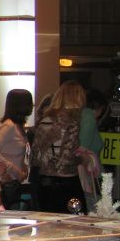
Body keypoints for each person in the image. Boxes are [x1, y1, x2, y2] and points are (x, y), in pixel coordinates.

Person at [32, 81, 88, 214]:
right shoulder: (71, 122)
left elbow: (35, 155)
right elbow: (66, 158)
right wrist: (81, 159)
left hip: (44, 180)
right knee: (74, 220)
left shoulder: (45, 120)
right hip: (66, 181)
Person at [0, 89, 33, 210]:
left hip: (14, 182)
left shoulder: (18, 126)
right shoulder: (9, 126)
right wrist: (16, 171)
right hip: (8, 181)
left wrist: (23, 167)